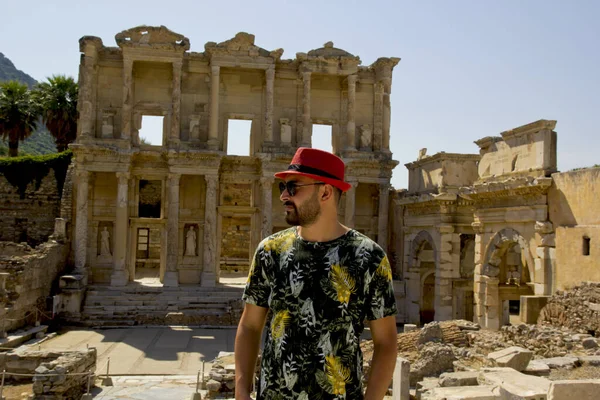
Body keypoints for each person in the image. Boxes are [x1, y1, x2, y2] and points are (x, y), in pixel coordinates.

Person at [235, 148, 398, 400]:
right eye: (283, 187)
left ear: (325, 191)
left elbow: (386, 342)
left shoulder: (369, 257)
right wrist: (241, 390)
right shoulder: (270, 251)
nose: (284, 196)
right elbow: (250, 325)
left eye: (294, 187)